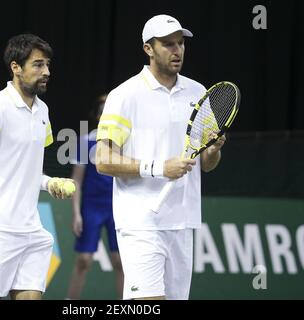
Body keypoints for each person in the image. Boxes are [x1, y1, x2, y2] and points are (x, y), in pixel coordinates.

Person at [95, 15, 227, 300]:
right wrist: (159, 168)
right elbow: (103, 160)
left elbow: (206, 164)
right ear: (148, 48)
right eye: (167, 44)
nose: (177, 50)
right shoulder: (124, 95)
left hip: (183, 221)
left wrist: (213, 151)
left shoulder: (198, 93)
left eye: (180, 43)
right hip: (140, 221)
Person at [0, 34, 75, 300]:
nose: (47, 72)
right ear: (15, 67)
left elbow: (26, 170)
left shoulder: (43, 111)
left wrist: (48, 182)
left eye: (48, 65)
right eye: (38, 65)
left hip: (31, 231)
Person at [66, 94, 124, 300]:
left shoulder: (124, 142)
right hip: (91, 208)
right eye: (102, 112)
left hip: (117, 208)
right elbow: (77, 181)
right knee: (84, 259)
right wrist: (76, 214)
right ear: (97, 116)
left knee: (120, 261)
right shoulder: (85, 141)